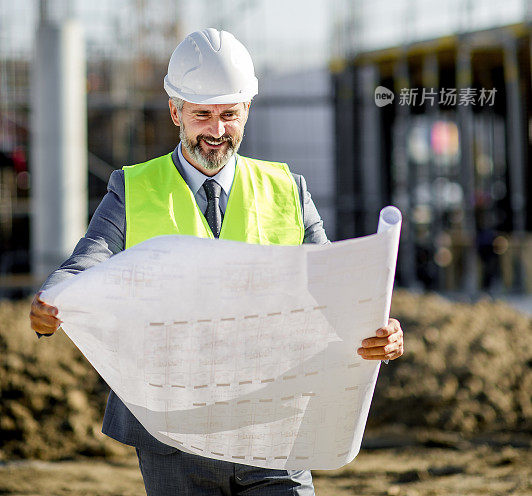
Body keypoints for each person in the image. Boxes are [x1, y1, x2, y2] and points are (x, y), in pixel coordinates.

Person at [30, 28, 404, 496]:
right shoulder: (133, 188)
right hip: (172, 432)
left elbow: (337, 287)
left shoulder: (289, 190)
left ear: (246, 110)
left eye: (229, 114)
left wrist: (378, 329)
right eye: (202, 114)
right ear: (175, 111)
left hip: (274, 427)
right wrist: (51, 305)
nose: (216, 131)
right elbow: (87, 263)